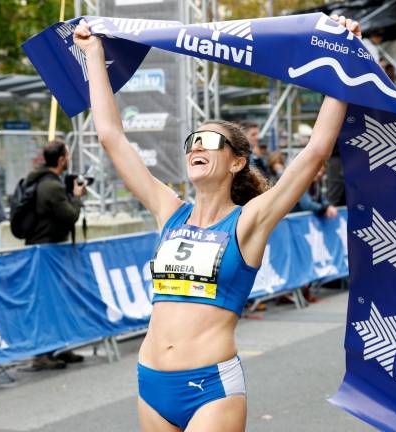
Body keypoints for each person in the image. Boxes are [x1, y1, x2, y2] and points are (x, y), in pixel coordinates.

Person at [74, 15, 360, 431]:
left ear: (237, 162)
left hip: (210, 388)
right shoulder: (168, 210)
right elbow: (110, 136)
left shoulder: (250, 220)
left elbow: (316, 151)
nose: (197, 147)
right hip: (151, 383)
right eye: (193, 141)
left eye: (210, 141)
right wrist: (94, 54)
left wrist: (345, 55)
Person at [23, 140, 86, 370]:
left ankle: (59, 346)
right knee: (45, 302)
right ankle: (42, 354)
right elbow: (69, 215)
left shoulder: (47, 182)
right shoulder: (51, 186)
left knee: (58, 301)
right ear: (61, 160)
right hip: (46, 252)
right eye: (67, 155)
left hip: (48, 250)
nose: (69, 159)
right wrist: (77, 197)